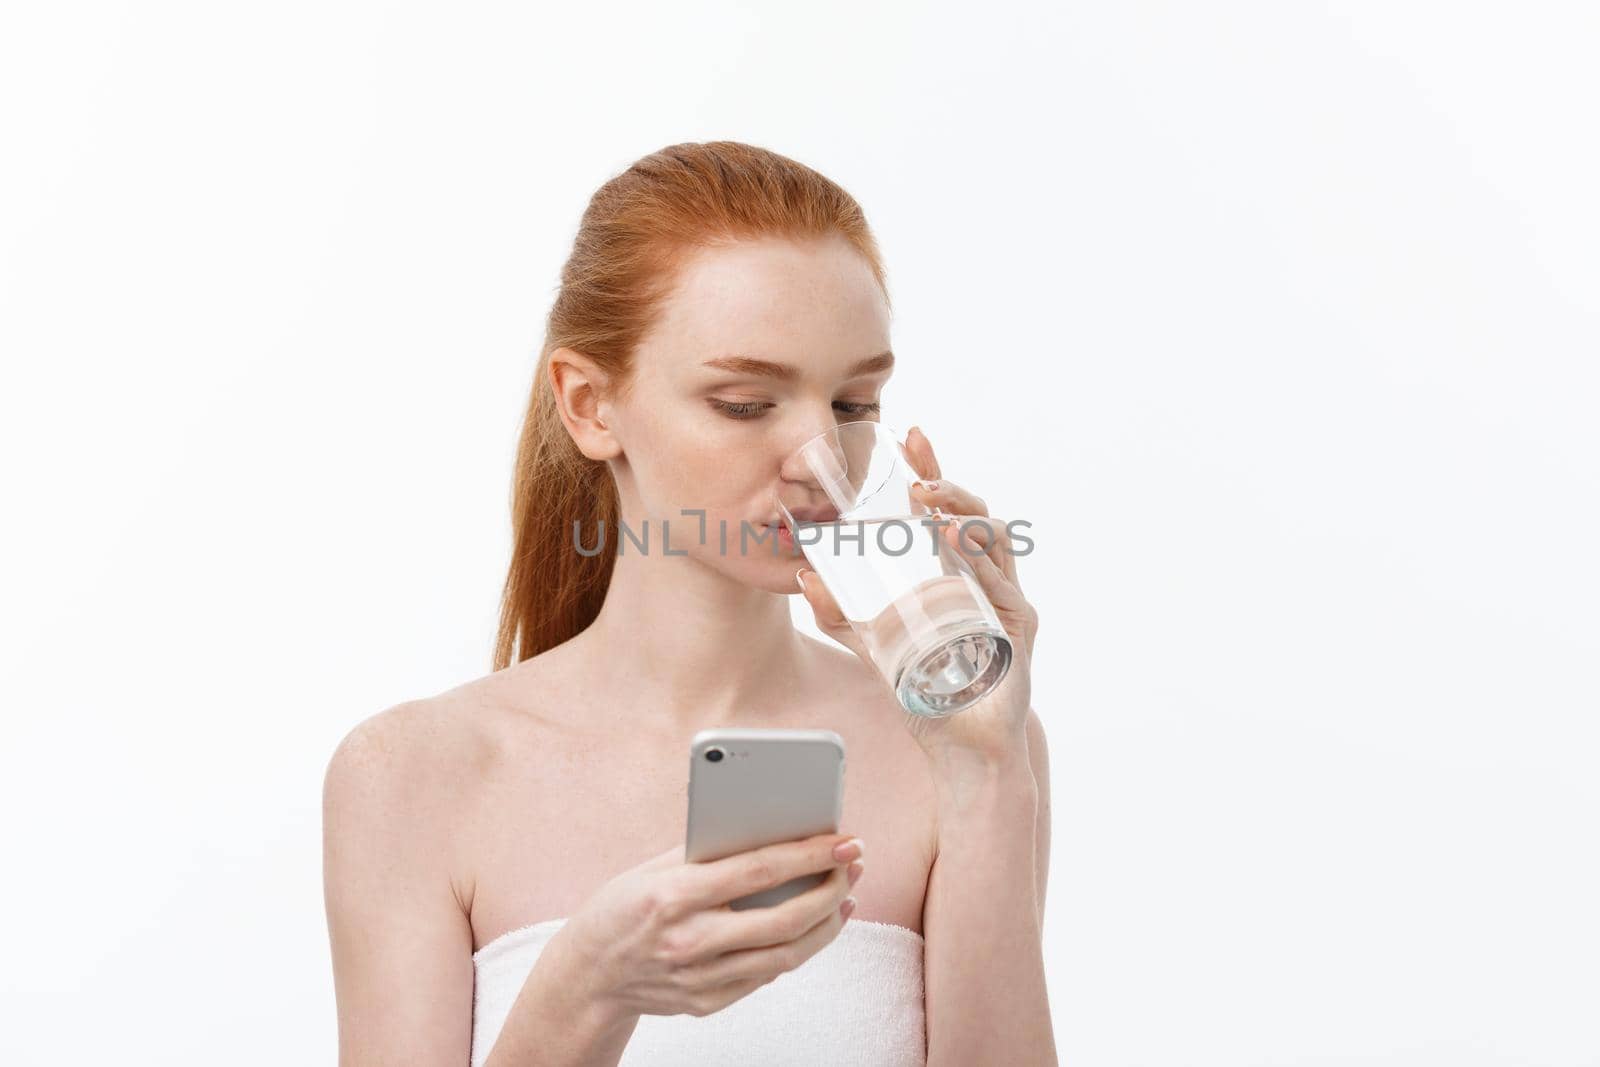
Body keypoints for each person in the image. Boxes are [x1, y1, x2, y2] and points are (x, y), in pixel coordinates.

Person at [322, 140, 1056, 1066]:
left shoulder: (965, 747)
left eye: (855, 403)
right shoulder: (413, 778)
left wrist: (986, 777)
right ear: (589, 405)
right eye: (746, 403)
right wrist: (584, 984)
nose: (818, 458)